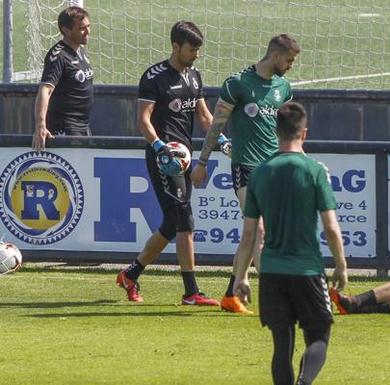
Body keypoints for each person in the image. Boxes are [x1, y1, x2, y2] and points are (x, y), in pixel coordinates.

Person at [232, 102, 348, 385]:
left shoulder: (260, 172)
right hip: (306, 269)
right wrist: (341, 266)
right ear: (304, 133)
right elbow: (331, 227)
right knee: (319, 335)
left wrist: (241, 276)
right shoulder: (314, 170)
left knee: (281, 345)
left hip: (271, 271)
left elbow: (249, 234)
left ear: (276, 132)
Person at [190, 34, 301, 314]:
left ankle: (231, 294)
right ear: (275, 56)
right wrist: (202, 162)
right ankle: (276, 298)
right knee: (260, 230)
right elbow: (216, 125)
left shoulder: (283, 88)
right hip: (246, 167)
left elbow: (289, 132)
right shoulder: (238, 83)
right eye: (289, 60)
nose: (290, 66)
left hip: (274, 168)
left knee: (253, 235)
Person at [116, 21, 217, 305]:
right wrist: (161, 147)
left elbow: (205, 117)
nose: (196, 54)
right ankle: (191, 292)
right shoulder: (154, 77)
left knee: (173, 224)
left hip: (183, 160)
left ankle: (131, 274)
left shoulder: (195, 76)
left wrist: (221, 141)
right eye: (192, 49)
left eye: (198, 49)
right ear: (175, 46)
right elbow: (143, 121)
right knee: (184, 219)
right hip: (164, 160)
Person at [32, 6, 94, 151]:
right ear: (66, 30)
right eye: (81, 28)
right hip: (65, 127)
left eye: (88, 27)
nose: (87, 32)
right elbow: (45, 89)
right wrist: (40, 125)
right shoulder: (58, 56)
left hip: (83, 126)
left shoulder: (80, 51)